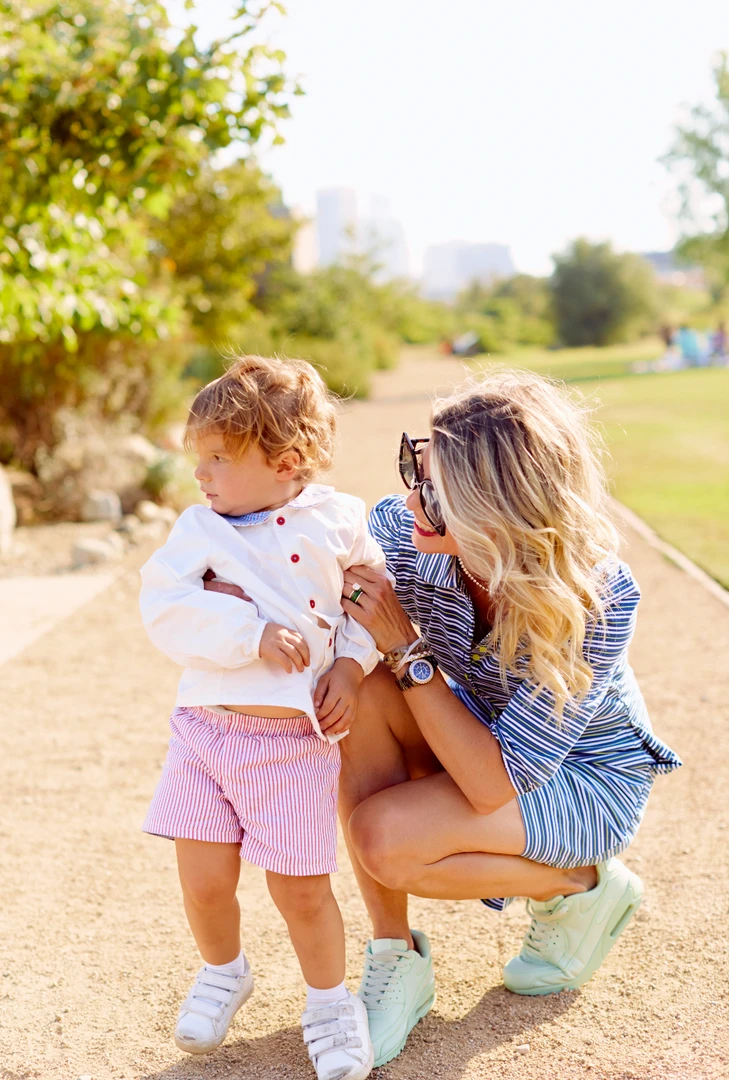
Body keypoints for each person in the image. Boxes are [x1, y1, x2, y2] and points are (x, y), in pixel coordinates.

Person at [334, 369, 681, 1069]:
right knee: (364, 689)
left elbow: (495, 783)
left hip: (583, 778)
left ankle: (580, 883)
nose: (408, 497)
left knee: (385, 839)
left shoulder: (595, 598)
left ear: (494, 510)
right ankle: (392, 956)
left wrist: (406, 647)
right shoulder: (397, 535)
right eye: (413, 464)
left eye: (430, 490)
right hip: (472, 730)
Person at [139, 355, 385, 1080]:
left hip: (292, 743)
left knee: (301, 889)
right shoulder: (198, 530)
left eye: (217, 457)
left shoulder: (340, 521)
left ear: (287, 461)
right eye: (198, 459)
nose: (201, 475)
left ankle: (329, 1005)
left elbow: (370, 600)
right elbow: (163, 608)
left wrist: (349, 665)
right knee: (204, 879)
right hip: (204, 734)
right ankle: (223, 971)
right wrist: (244, 633)